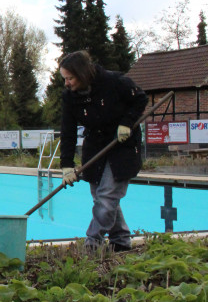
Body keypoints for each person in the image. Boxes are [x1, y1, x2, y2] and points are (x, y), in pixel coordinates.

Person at [59, 50, 148, 252]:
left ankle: (92, 243)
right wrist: (66, 165)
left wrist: (127, 123)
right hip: (95, 145)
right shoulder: (70, 98)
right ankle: (121, 241)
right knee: (101, 197)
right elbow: (68, 131)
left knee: (107, 196)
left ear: (82, 74)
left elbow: (140, 98)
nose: (67, 83)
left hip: (122, 144)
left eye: (70, 78)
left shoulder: (114, 82)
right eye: (65, 79)